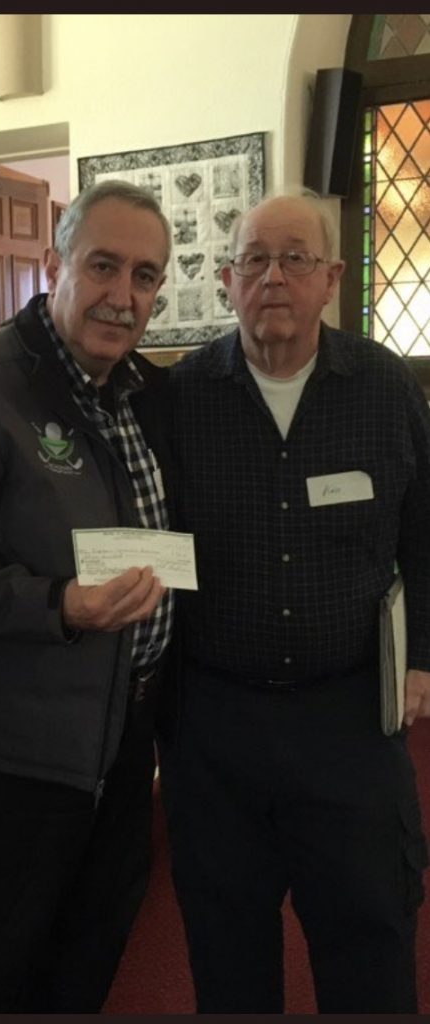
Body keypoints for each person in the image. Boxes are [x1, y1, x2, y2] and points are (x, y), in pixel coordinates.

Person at [163, 189, 430, 1014]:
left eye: (295, 259)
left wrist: (421, 656)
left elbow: (424, 534)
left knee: (369, 937)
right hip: (214, 726)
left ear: (330, 278)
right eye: (253, 260)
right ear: (224, 279)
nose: (273, 277)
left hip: (346, 719)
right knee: (225, 944)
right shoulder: (177, 399)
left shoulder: (385, 389)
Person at [0, 179, 173, 1012]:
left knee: (89, 951)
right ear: (52, 265)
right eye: (102, 266)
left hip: (119, 733)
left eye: (144, 277)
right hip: (15, 747)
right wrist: (61, 605)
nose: (122, 295)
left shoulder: (139, 388)